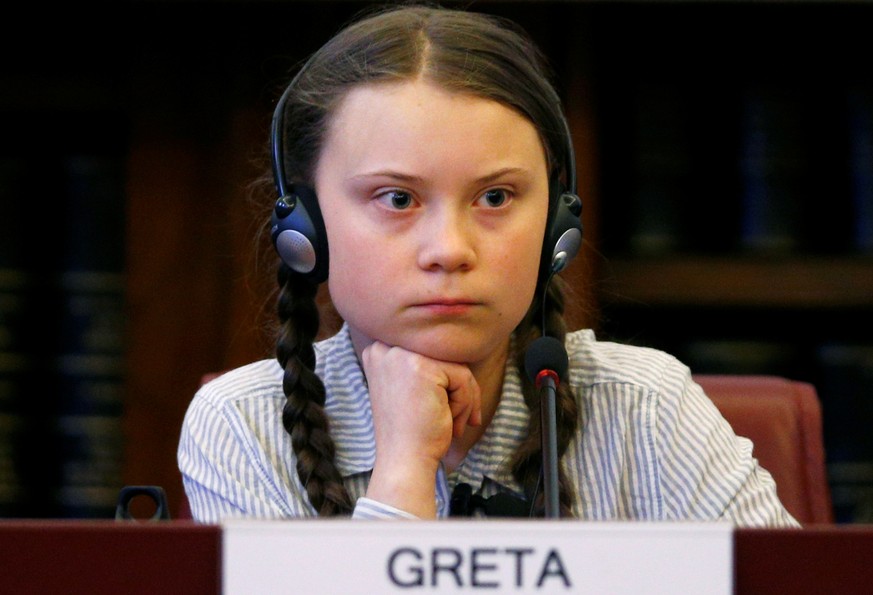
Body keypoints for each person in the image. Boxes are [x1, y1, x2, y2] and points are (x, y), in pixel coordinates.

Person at [177, 3, 800, 526]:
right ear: (305, 228)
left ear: (557, 223)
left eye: (495, 197)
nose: (450, 249)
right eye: (397, 198)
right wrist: (402, 473)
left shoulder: (647, 408)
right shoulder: (244, 427)